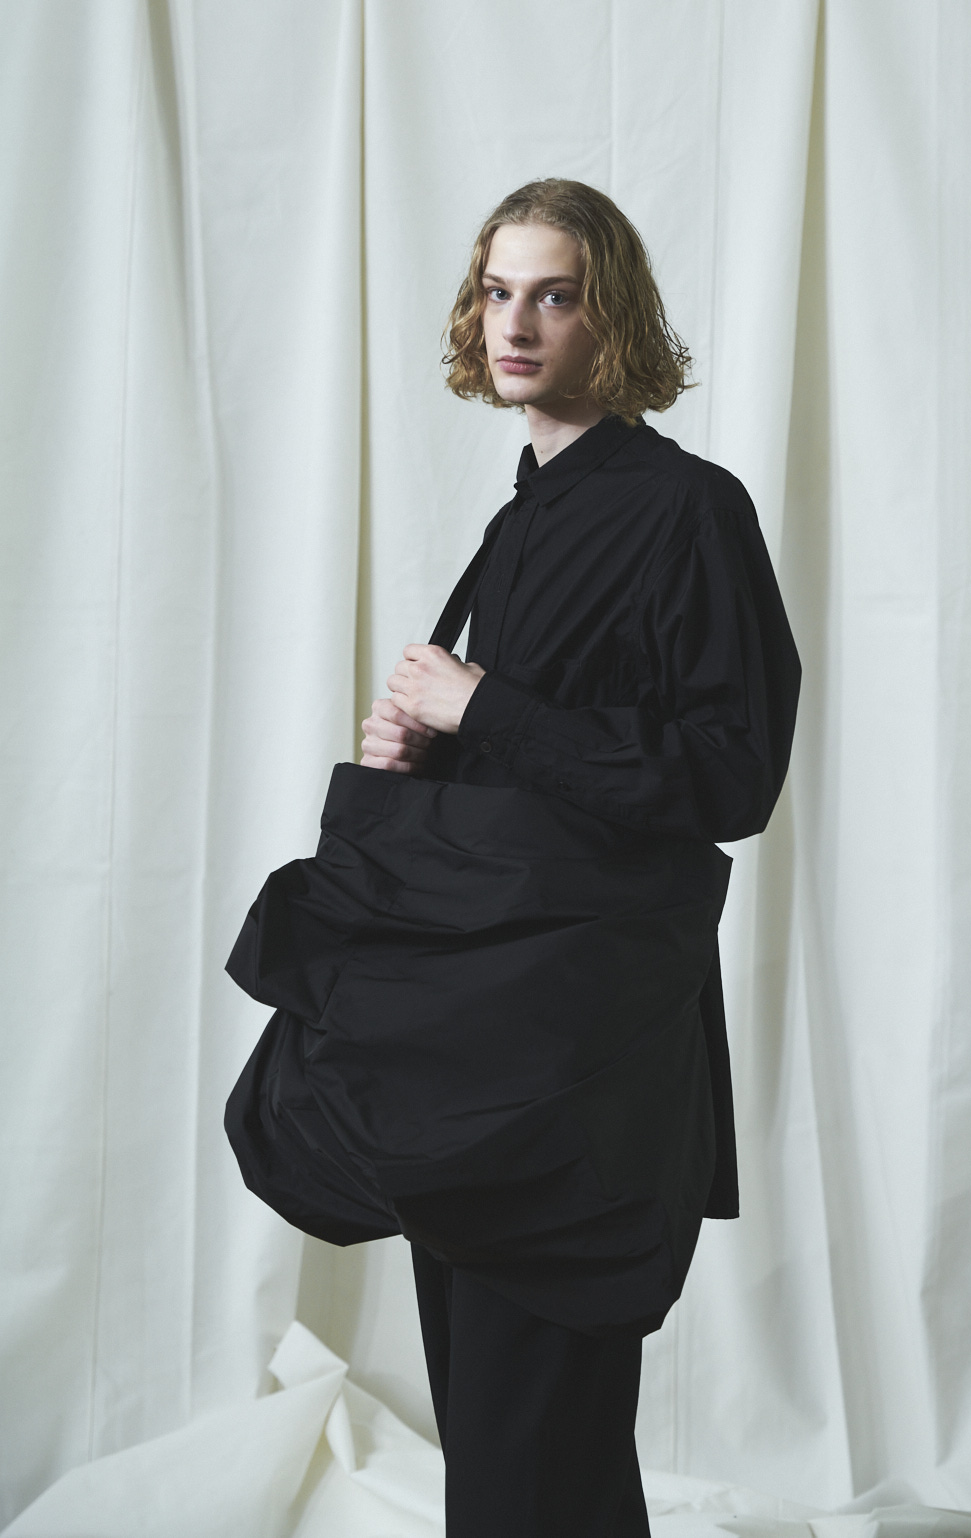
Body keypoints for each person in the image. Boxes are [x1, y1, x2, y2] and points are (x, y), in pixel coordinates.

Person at [354, 179, 802, 1536]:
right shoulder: (521, 516)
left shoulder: (689, 509)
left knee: (529, 1445)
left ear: (612, 318)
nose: (517, 324)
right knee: (504, 1444)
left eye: (555, 295)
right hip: (485, 1042)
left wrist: (485, 709)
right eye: (499, 292)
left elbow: (731, 775)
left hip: (586, 1055)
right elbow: (549, 772)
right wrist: (427, 753)